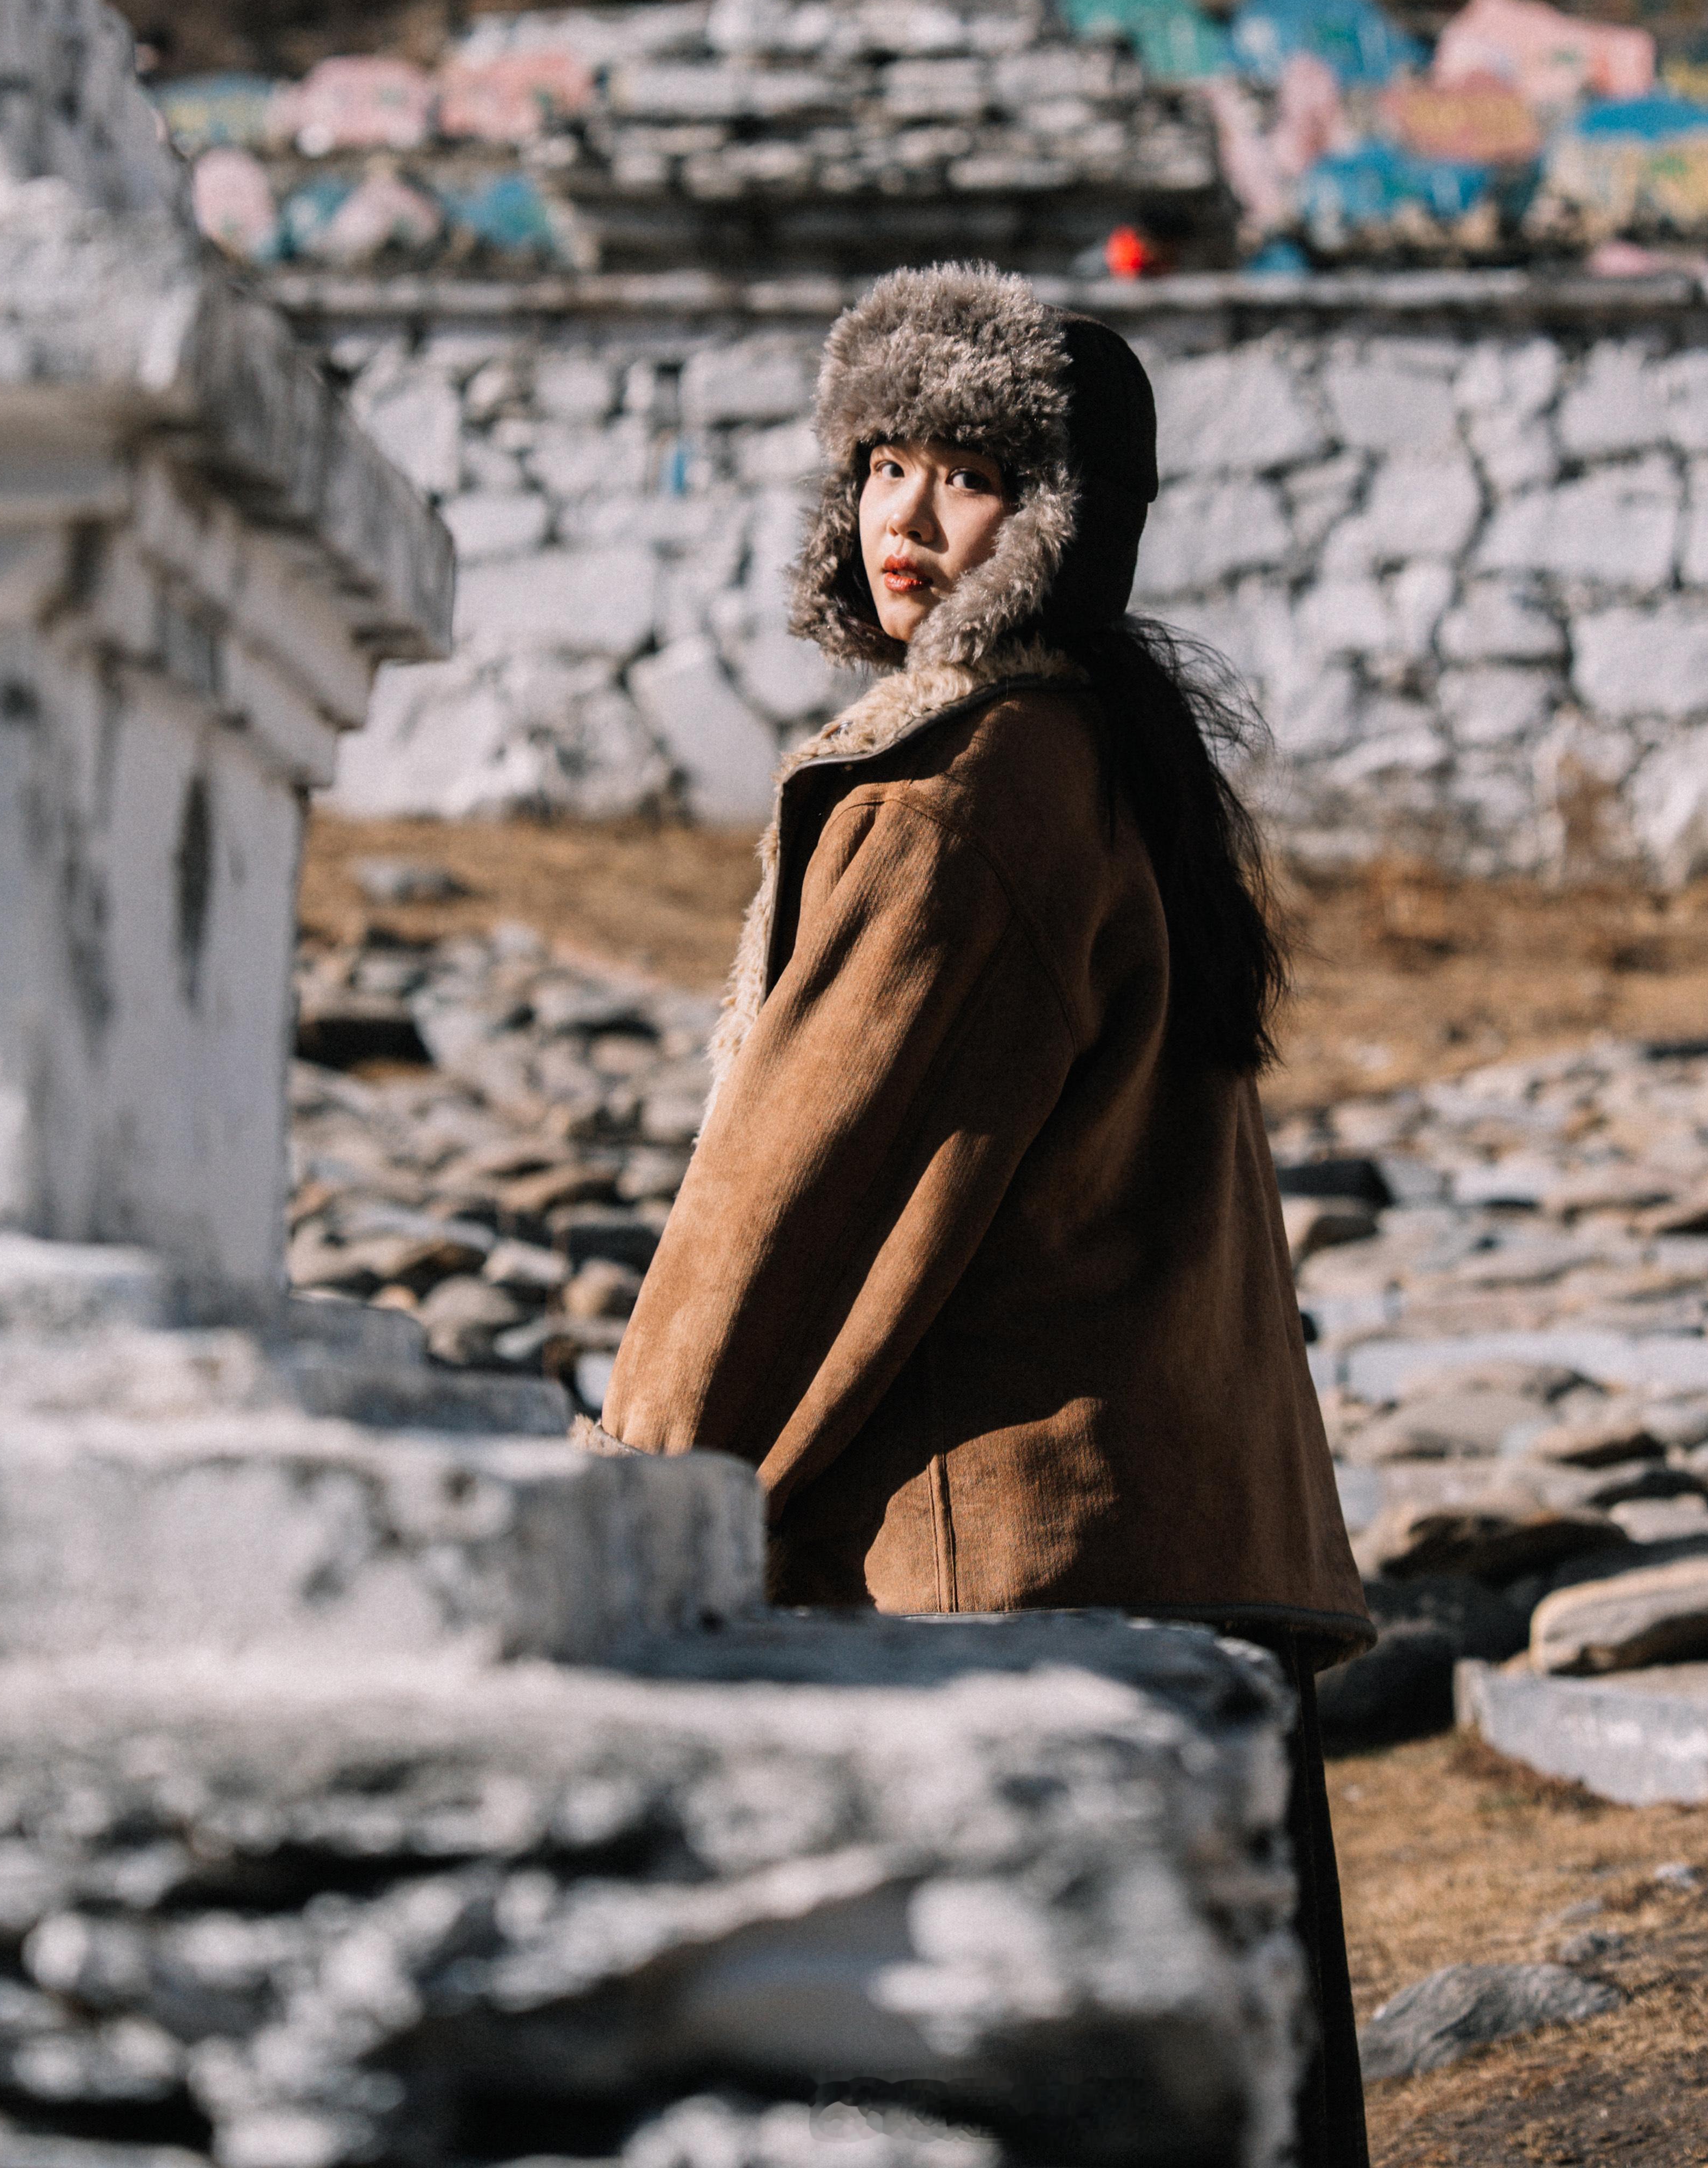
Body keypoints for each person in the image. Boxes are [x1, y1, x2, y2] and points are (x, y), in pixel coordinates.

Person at [585, 261, 1372, 2164]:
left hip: (1007, 1588)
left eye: (975, 474)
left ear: (1068, 521)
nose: (910, 522)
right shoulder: (1111, 757)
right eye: (885, 463)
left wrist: (632, 1498)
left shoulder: (958, 798)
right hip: (1176, 1552)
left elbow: (789, 1204)